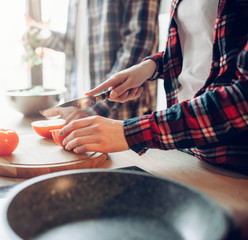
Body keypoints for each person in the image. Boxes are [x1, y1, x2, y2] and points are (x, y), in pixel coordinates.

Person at [58, 0, 248, 173]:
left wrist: (130, 132)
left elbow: (242, 99)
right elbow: (201, 49)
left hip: (233, 164)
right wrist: (150, 67)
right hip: (186, 152)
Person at [24, 0, 160, 121]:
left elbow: (139, 43)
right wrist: (44, 37)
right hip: (80, 109)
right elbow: (79, 45)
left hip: (122, 116)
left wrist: (95, 109)